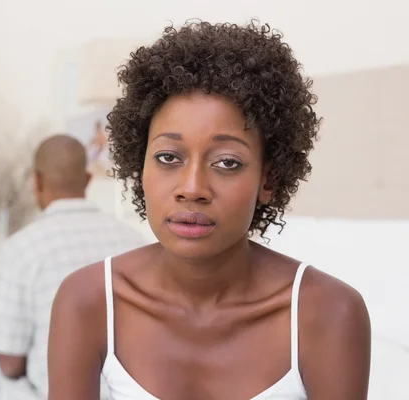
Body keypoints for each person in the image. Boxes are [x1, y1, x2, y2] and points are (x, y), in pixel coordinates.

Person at [48, 21, 371, 400]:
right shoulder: (88, 301)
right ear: (140, 166)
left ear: (268, 179)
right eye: (168, 157)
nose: (192, 189)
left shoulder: (328, 313)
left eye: (227, 162)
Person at [0, 134, 147, 400]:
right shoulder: (136, 242)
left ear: (36, 181)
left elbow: (10, 364)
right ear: (87, 180)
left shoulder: (22, 248)